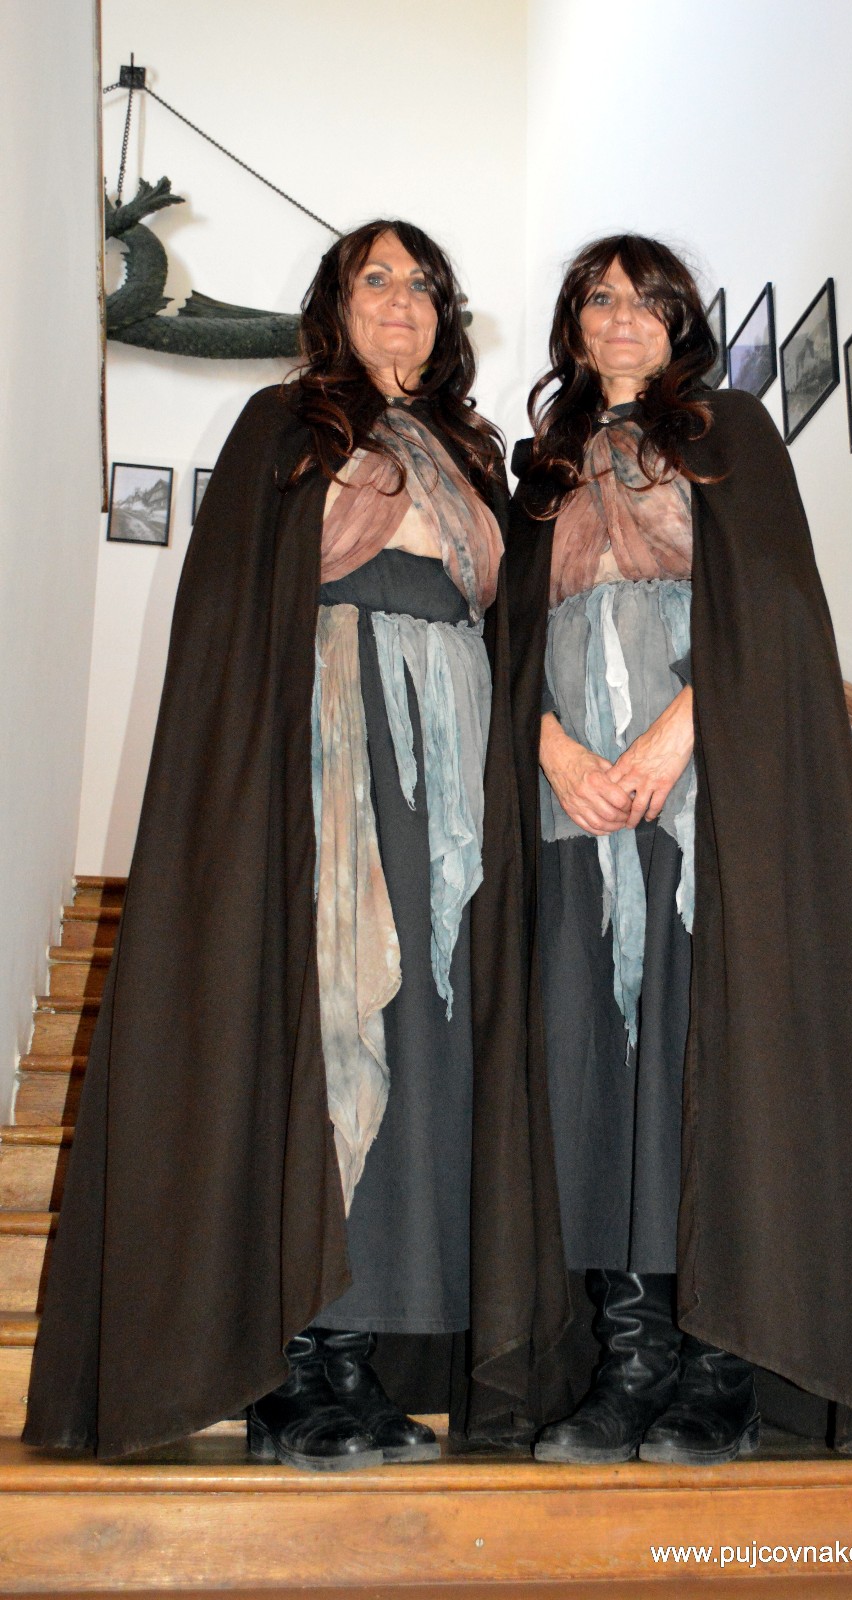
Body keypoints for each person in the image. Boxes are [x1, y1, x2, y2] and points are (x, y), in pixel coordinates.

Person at [24, 220, 524, 1469]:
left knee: (422, 1049)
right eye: (375, 280)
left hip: (451, 773)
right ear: (333, 305)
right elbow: (238, 612)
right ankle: (292, 1361)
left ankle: (359, 1358)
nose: (400, 301)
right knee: (324, 1023)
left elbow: (507, 612)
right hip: (322, 754)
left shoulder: (473, 450)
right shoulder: (284, 427)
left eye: (422, 285)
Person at [494, 234, 852, 1465]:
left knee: (696, 1057)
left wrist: (679, 730)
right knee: (591, 1076)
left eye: (645, 300)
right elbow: (505, 637)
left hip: (702, 802)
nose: (621, 317)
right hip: (574, 813)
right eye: (598, 298)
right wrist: (550, 749)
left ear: (680, 323)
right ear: (572, 323)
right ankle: (627, 1363)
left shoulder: (731, 434)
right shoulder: (538, 471)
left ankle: (715, 1368)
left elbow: (769, 603)